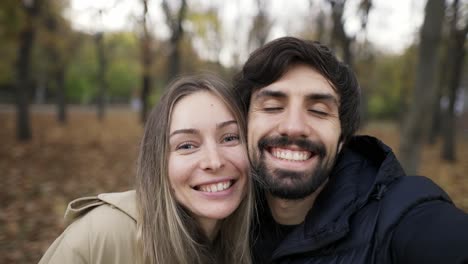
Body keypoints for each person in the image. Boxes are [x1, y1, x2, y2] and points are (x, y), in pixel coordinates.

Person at [234, 36, 468, 264]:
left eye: (318, 111)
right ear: (245, 124)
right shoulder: (220, 215)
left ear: (341, 139)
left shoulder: (399, 213)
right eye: (273, 107)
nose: (293, 127)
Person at [39, 75, 253, 264]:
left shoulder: (259, 242)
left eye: (230, 138)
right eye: (187, 145)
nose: (214, 161)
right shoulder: (100, 235)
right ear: (157, 162)